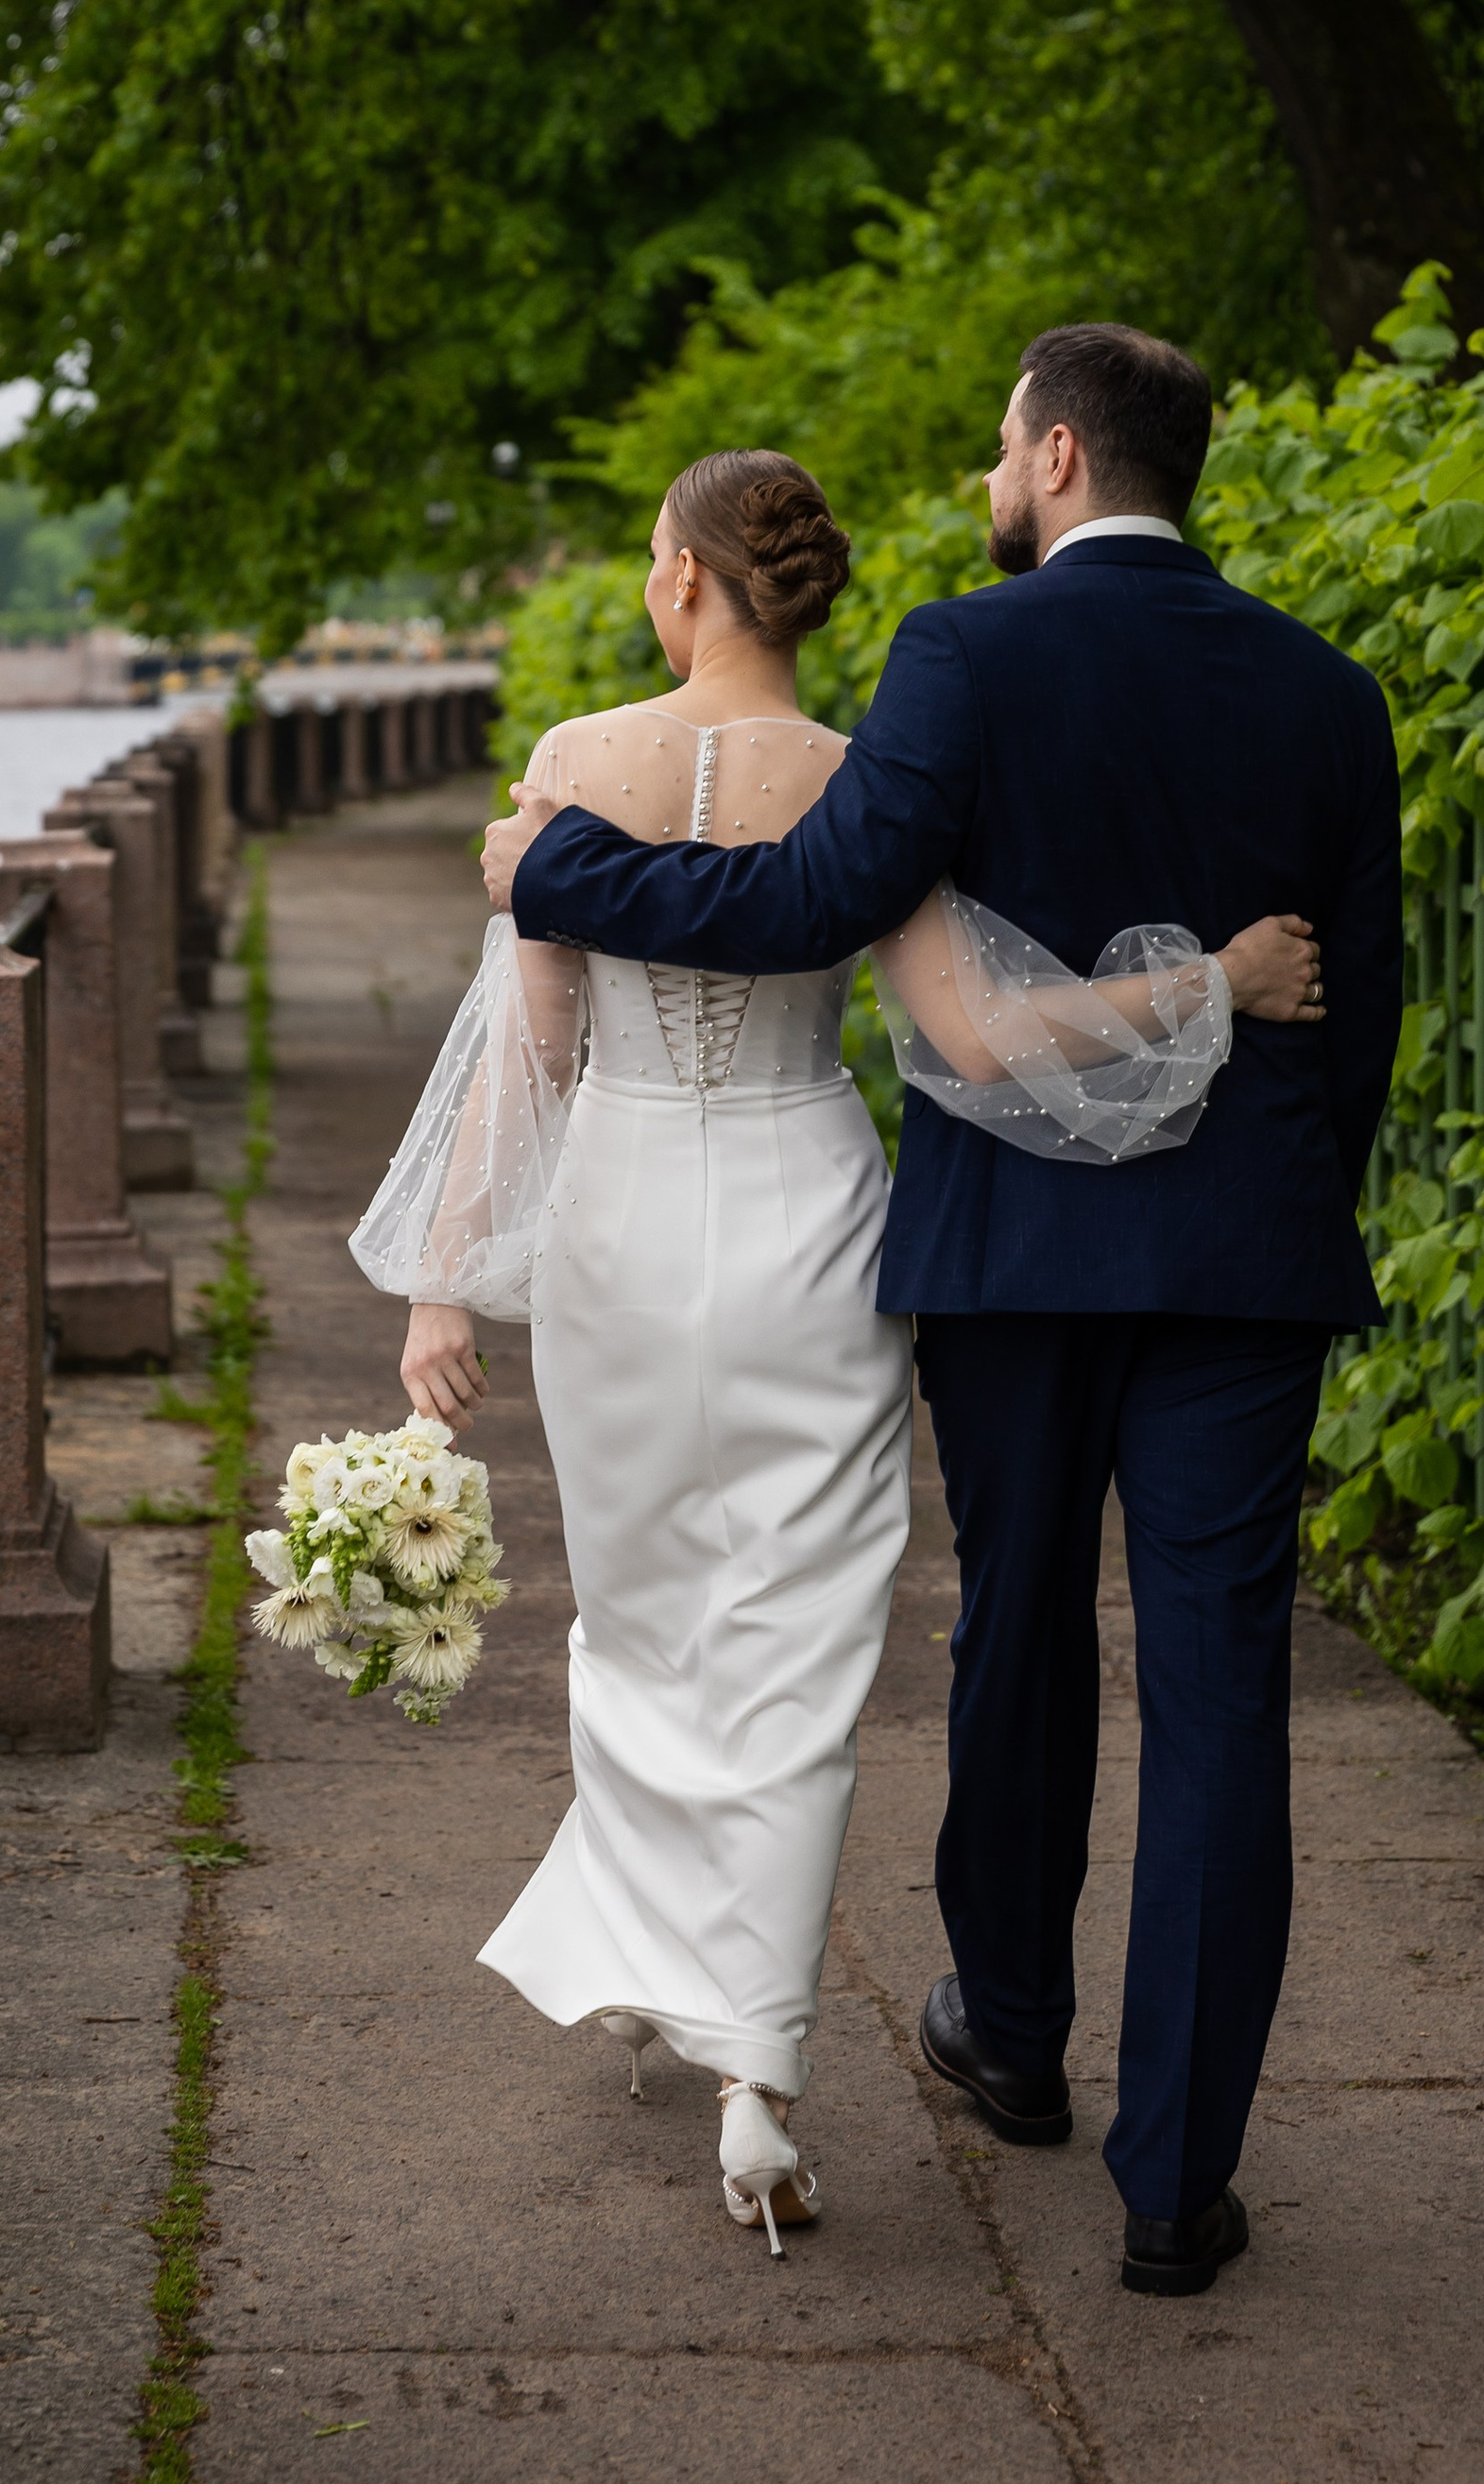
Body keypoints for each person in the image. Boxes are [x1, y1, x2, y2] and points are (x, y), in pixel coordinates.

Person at [482, 335, 1401, 2296]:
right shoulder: (1330, 692)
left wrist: (554, 861)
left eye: (998, 443)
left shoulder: (961, 657)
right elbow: (1361, 1021)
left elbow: (800, 901)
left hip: (1012, 1255)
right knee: (1222, 1697)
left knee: (1021, 1627)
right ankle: (1175, 2189)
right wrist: (1270, 1194)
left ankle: (1012, 2031)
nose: (988, 475)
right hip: (1245, 1256)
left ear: (1055, 455)